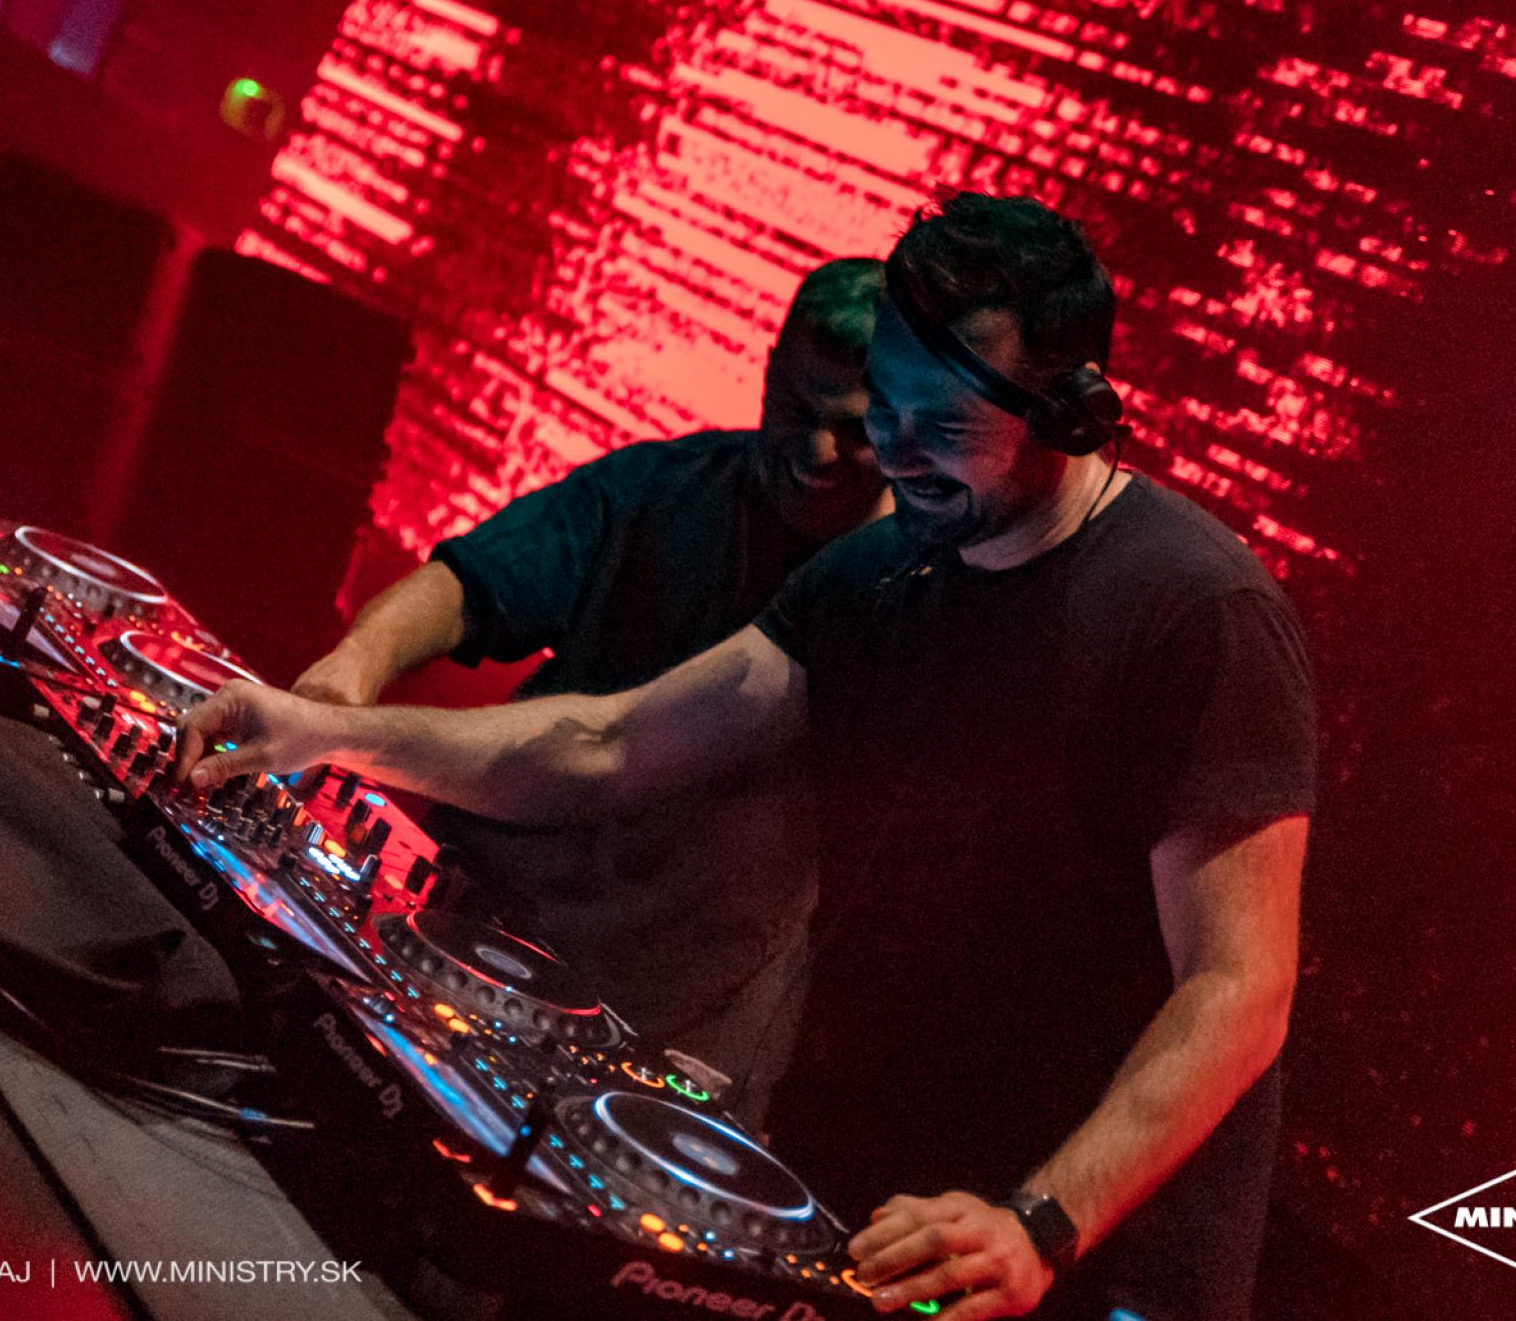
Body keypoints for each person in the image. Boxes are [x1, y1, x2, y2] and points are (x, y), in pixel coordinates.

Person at [178, 194, 1314, 1321]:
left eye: (941, 425)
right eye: (888, 409)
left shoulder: (1194, 613)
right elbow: (610, 743)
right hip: (881, 1214)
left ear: (1067, 416)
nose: (895, 450)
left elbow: (1236, 984)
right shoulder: (878, 574)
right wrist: (336, 731)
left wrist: (1042, 1222)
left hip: (1079, 1255)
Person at [289, 257, 891, 1126]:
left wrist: (352, 736)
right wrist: (357, 660)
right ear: (767, 371)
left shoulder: (901, 592)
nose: (816, 451)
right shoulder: (666, 486)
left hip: (676, 1018)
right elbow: (474, 583)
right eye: (797, 408)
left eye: (855, 430)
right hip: (477, 915)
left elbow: (610, 752)